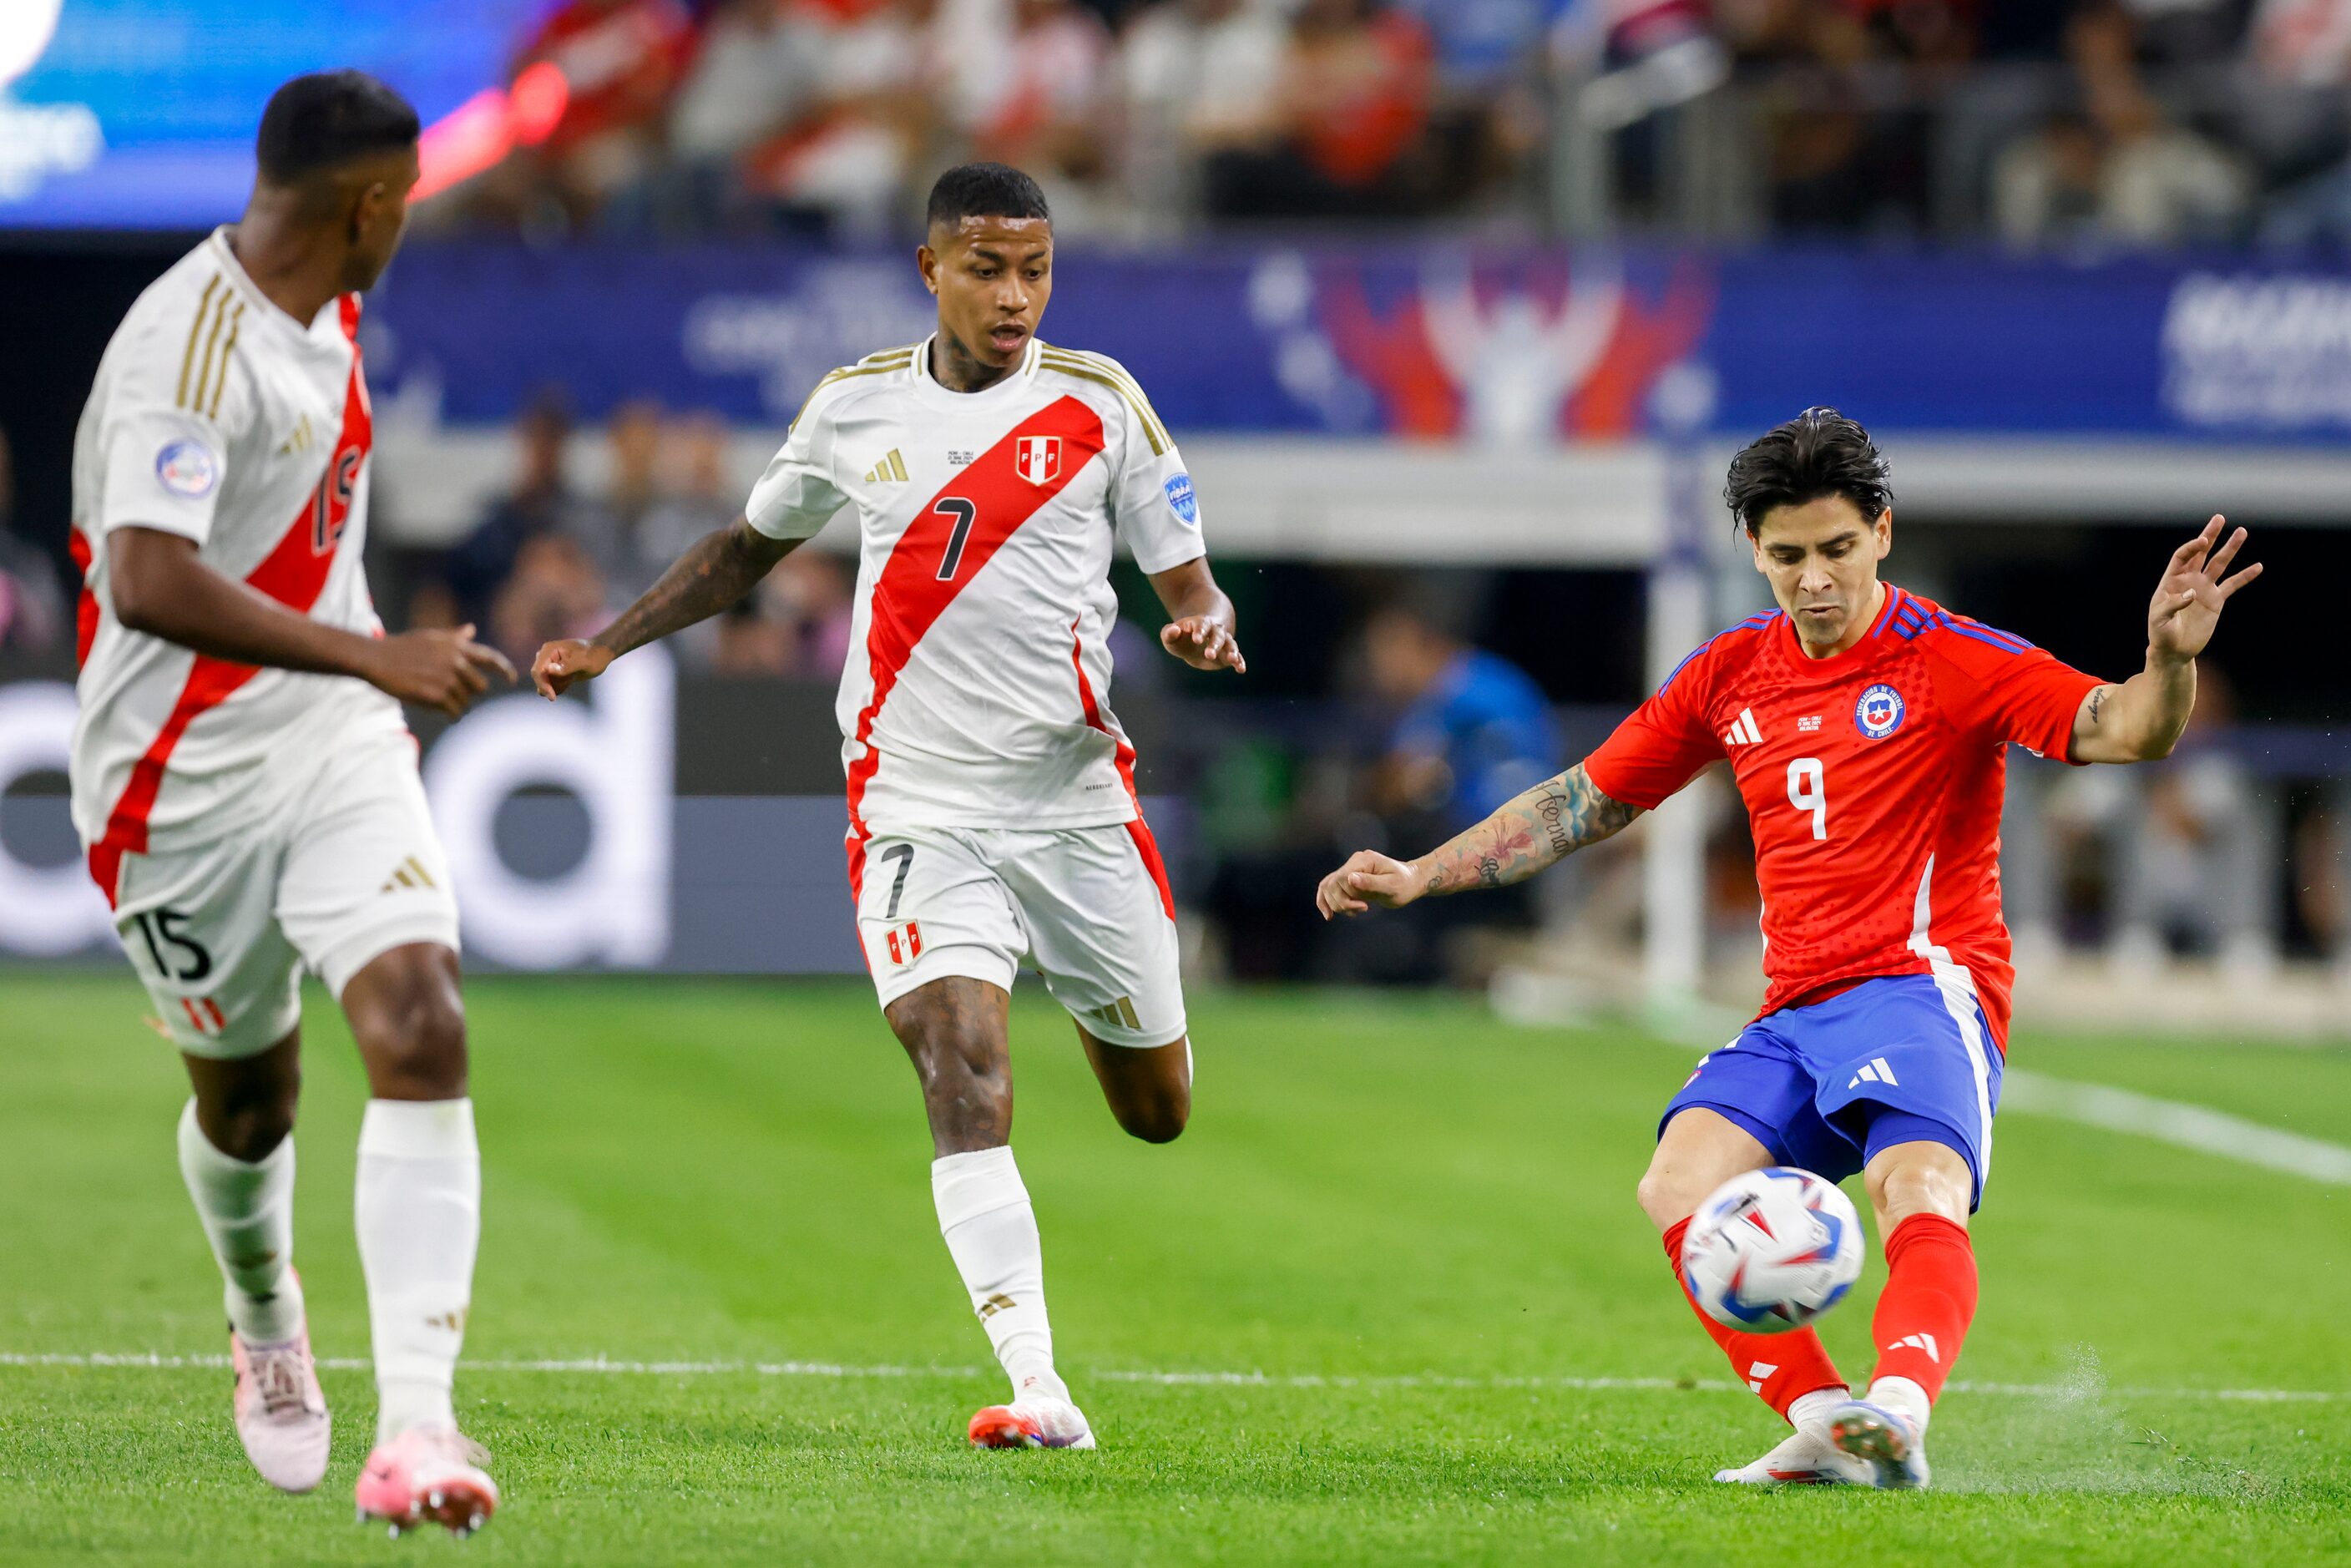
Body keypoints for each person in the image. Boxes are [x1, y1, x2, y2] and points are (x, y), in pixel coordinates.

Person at [1316, 407, 2260, 1489]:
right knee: (1677, 1183)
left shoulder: (1954, 659)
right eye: (1789, 556)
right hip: (1794, 1008)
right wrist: (1422, 871)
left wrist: (2168, 661)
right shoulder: (1731, 673)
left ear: (1884, 533)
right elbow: (1585, 800)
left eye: (1838, 550)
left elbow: (2129, 726)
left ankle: (1898, 1409)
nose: (1815, 579)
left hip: (1920, 985)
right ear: (1756, 552)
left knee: (1917, 1189)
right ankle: (1825, 1420)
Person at [531, 163, 1246, 1449]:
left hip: (1075, 804)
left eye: (1034, 267)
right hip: (916, 799)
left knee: (1158, 1111)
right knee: (961, 1068)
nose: (1015, 293)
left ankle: (1102, 1008)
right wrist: (607, 641)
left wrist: (1198, 619)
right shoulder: (856, 408)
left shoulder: (1102, 404)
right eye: (986, 267)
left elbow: (1189, 580)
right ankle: (1039, 1386)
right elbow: (745, 550)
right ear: (931, 270)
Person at [65, 72, 513, 1534]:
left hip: (330, 741)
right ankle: (264, 1316)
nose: (413, 221)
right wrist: (376, 647)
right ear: (369, 206)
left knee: (420, 1018)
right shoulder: (189, 355)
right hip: (170, 785)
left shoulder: (332, 302)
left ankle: (424, 1434)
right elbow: (146, 572)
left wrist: (359, 678)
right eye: (412, 200)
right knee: (250, 1108)